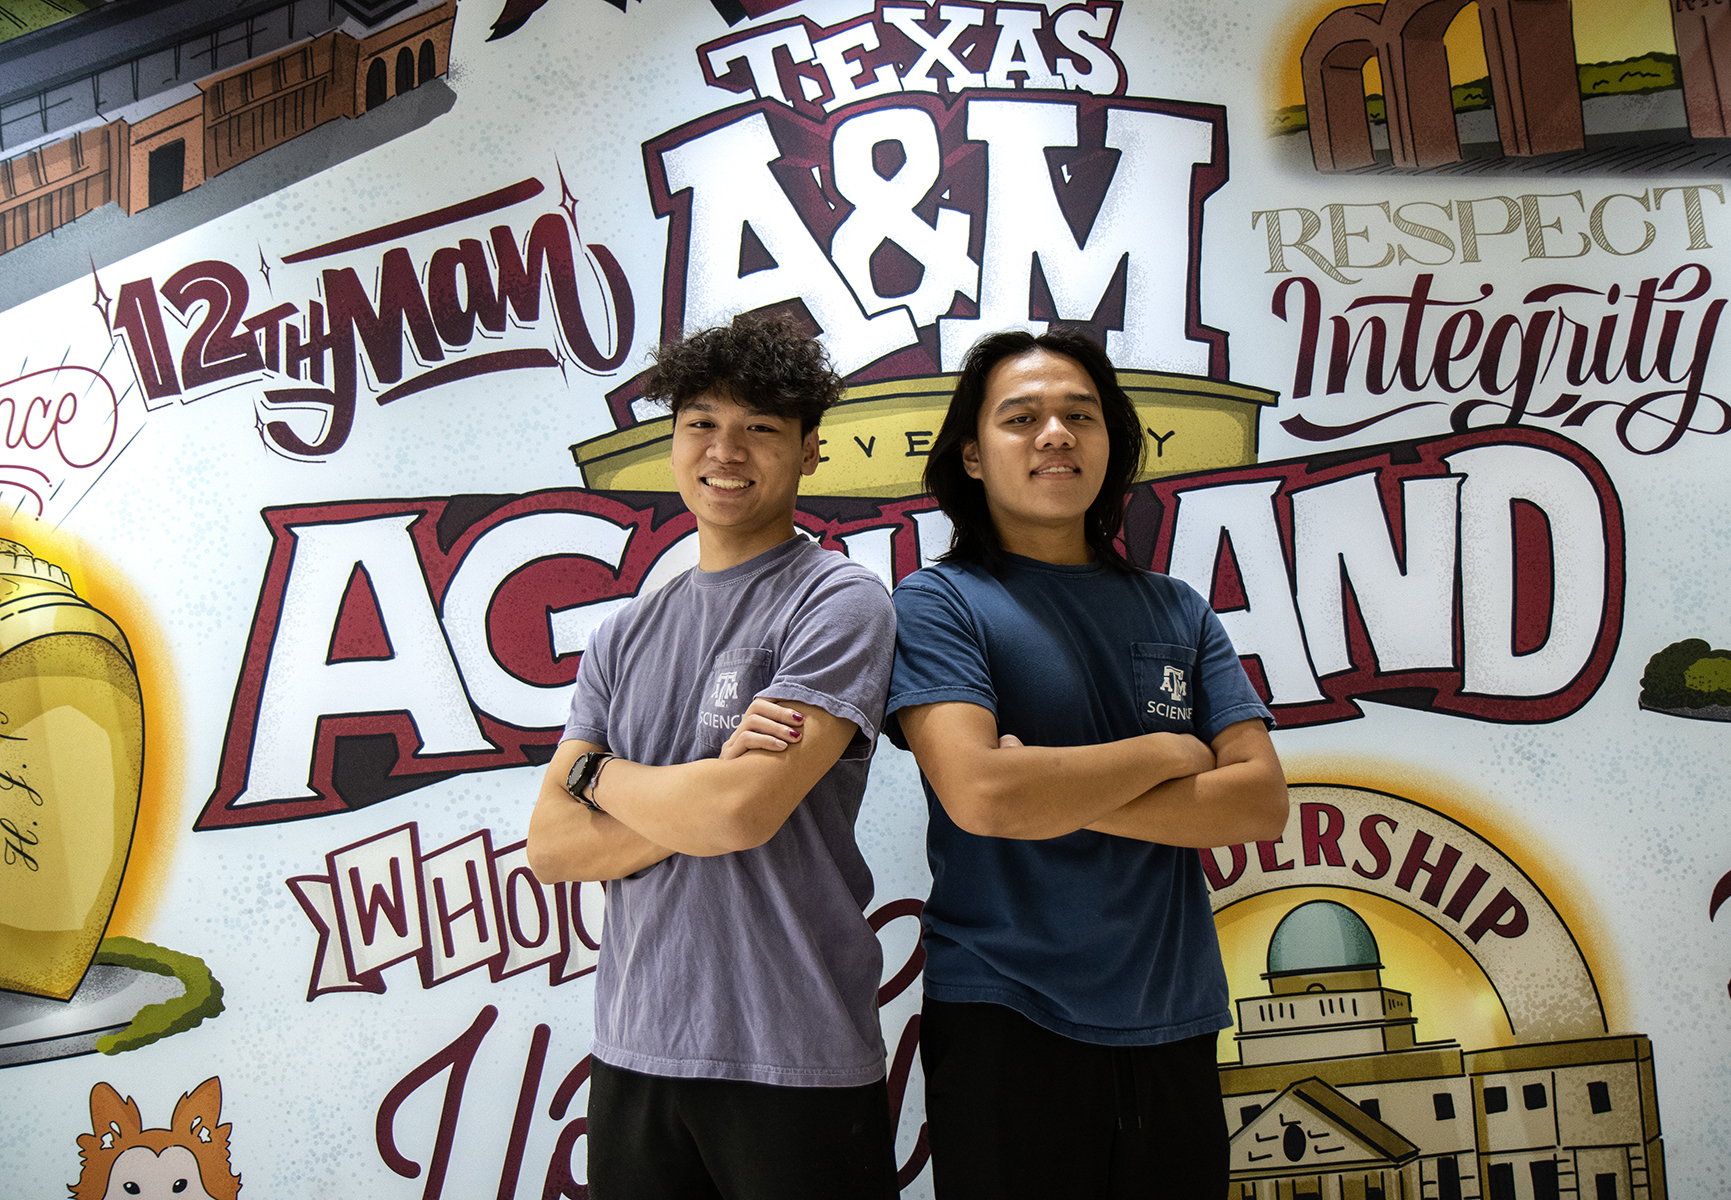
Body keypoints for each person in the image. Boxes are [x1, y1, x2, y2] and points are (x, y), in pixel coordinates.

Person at [884, 329, 1290, 1199]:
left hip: (1172, 1018)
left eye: (1080, 414)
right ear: (973, 455)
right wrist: (1166, 754)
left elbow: (1258, 805)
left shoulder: (1178, 607)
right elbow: (982, 795)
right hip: (1005, 1016)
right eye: (1021, 417)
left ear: (1112, 442)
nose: (1056, 434)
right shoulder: (938, 602)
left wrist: (1048, 791)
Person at [527, 313, 899, 1200]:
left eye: (761, 428)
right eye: (701, 423)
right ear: (672, 441)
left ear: (810, 450)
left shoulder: (838, 602)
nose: (725, 450)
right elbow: (552, 847)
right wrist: (694, 795)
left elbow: (740, 812)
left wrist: (595, 777)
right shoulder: (624, 633)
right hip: (635, 1047)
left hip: (795, 1052)